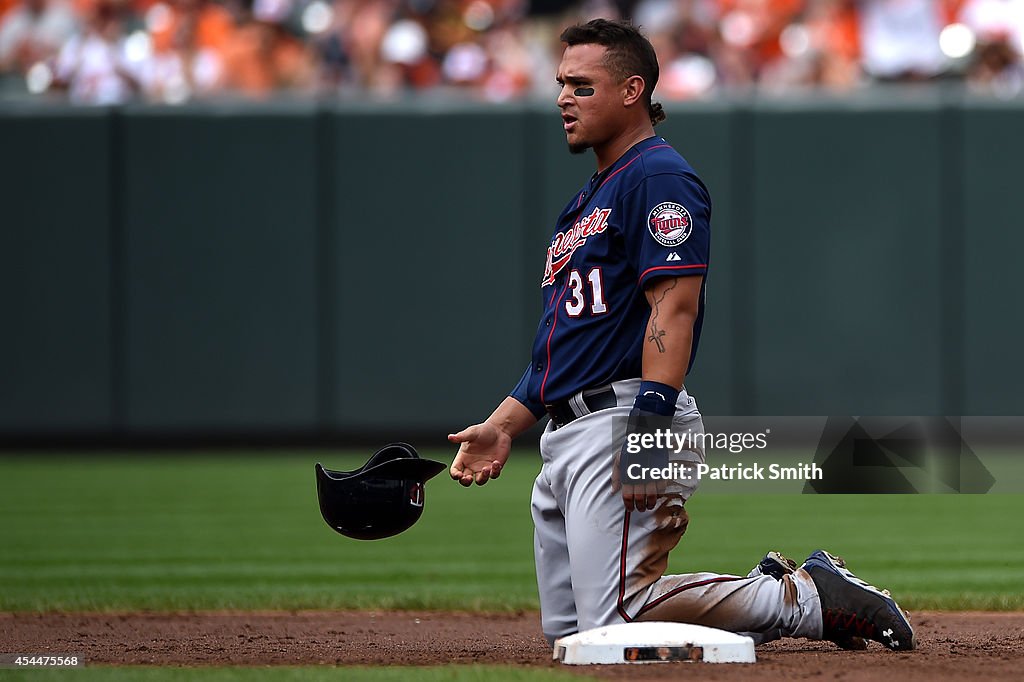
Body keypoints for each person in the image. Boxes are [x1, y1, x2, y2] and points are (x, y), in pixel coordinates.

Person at [448, 18, 915, 653]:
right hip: (567, 430)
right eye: (561, 83)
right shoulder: (589, 200)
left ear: (632, 90)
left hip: (624, 416)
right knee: (574, 638)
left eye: (582, 85)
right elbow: (565, 342)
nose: (563, 97)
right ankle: (785, 591)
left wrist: (650, 426)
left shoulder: (657, 178)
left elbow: (675, 310)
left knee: (620, 619)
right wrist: (504, 425)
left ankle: (805, 599)